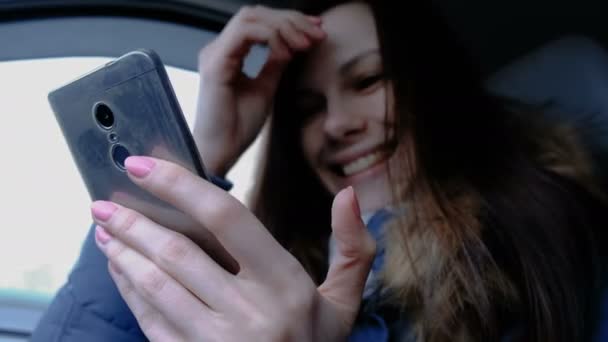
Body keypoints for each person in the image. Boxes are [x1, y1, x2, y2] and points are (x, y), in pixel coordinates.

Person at [32, 0, 608, 341]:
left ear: (436, 88)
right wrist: (204, 150)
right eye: (307, 110)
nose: (336, 124)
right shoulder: (271, 262)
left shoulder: (546, 234)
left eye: (367, 81)